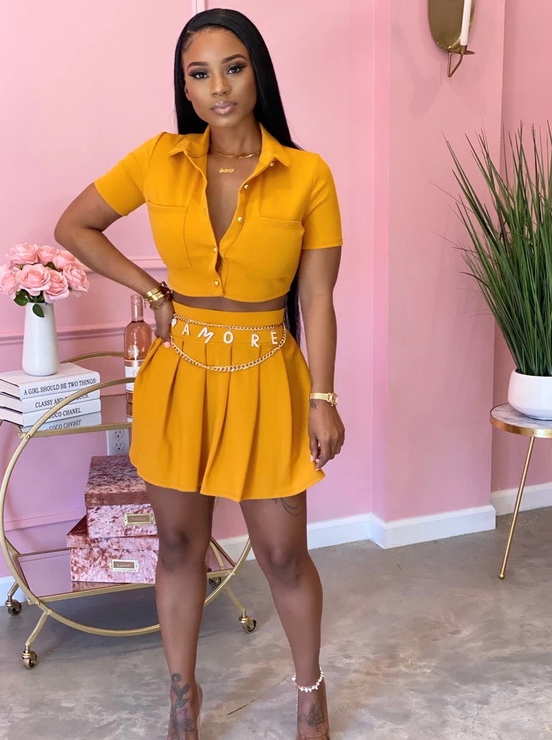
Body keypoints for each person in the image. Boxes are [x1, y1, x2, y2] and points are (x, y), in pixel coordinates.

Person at [55, 8, 344, 739]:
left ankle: (310, 692)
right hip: (178, 376)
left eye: (233, 67)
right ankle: (183, 698)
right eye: (200, 73)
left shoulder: (307, 174)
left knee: (282, 554)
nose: (219, 87)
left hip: (267, 377)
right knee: (180, 546)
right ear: (184, 88)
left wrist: (322, 396)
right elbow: (74, 226)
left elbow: (316, 298)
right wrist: (153, 293)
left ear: (257, 74)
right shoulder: (159, 158)